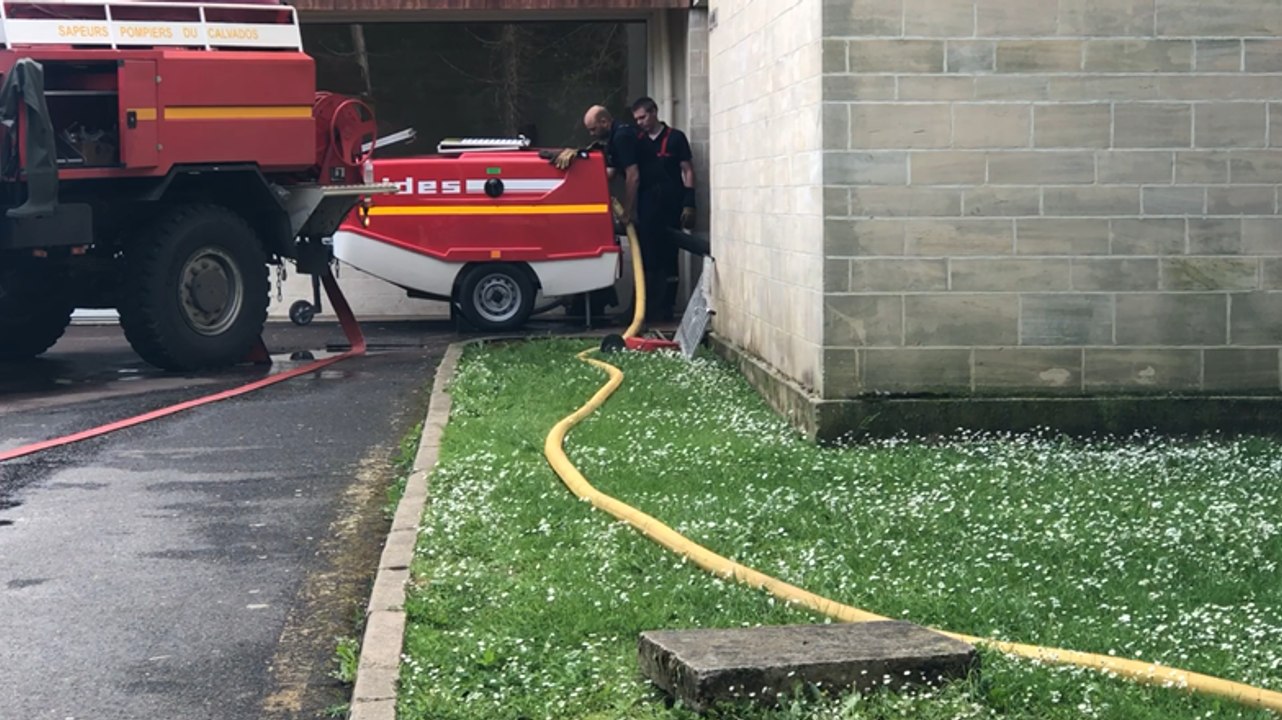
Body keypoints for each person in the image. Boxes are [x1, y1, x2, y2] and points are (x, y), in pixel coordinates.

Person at [630, 96, 696, 322]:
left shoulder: (676, 138)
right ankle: (646, 306)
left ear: (654, 112)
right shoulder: (638, 140)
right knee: (647, 255)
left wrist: (689, 202)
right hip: (647, 206)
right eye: (636, 119)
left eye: (643, 117)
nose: (640, 123)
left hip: (671, 205)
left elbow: (687, 170)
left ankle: (667, 305)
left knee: (670, 255)